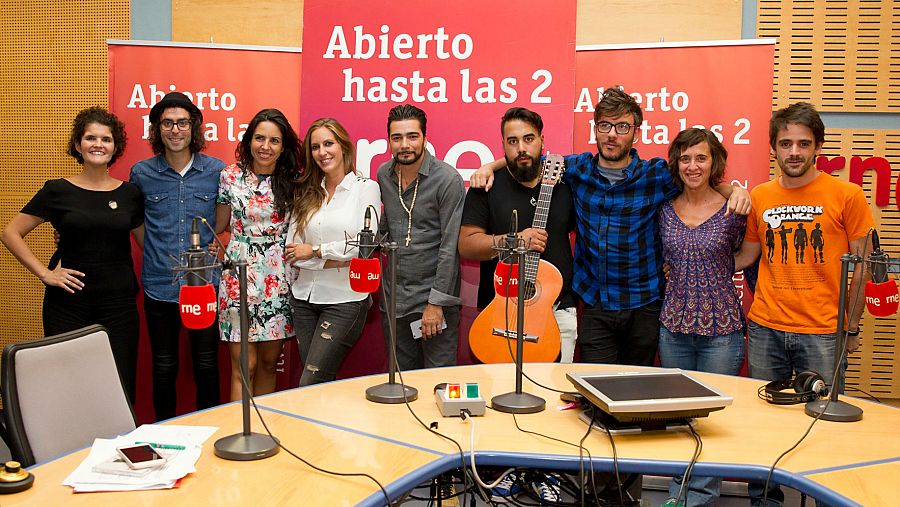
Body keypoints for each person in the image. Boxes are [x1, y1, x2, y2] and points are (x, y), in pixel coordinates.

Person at [471, 87, 750, 367]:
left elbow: (697, 179)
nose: (612, 134)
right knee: (596, 392)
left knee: (636, 394)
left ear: (635, 132)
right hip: (595, 304)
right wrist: (489, 166)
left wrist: (732, 190)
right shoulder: (576, 168)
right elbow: (527, 157)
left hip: (644, 304)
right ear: (595, 130)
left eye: (622, 126)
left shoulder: (656, 174)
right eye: (605, 125)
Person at [734, 102, 874, 507]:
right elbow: (746, 256)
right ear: (773, 148)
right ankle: (766, 501)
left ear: (818, 147)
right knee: (763, 425)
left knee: (826, 427)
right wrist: (691, 262)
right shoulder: (761, 195)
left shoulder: (845, 194)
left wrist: (850, 325)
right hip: (765, 327)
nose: (794, 152)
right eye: (785, 143)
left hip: (823, 332)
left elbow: (863, 264)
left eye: (803, 144)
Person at [2, 107, 143, 403]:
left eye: (106, 139)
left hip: (119, 305)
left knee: (118, 385)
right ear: (78, 145)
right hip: (68, 304)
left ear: (115, 146)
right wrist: (45, 273)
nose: (98, 144)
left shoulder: (129, 193)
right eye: (90, 137)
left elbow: (146, 243)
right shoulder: (57, 190)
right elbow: (10, 233)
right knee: (67, 385)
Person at [657, 129, 746, 506]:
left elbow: (749, 255)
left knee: (711, 422)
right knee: (678, 419)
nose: (693, 166)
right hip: (674, 327)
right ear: (676, 163)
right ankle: (678, 496)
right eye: (685, 158)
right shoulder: (663, 208)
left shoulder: (735, 209)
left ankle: (702, 499)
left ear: (715, 163)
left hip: (721, 331)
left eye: (701, 158)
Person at [129, 92, 225, 421]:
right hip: (160, 284)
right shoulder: (142, 173)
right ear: (157, 129)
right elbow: (137, 225)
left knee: (207, 364)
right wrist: (158, 252)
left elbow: (222, 220)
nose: (175, 130)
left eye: (182, 123)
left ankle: (208, 428)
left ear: (194, 128)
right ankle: (164, 433)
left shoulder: (216, 170)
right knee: (164, 366)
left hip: (204, 284)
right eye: (167, 123)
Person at [458, 107, 578, 363]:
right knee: (497, 392)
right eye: (513, 141)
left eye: (529, 139)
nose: (521, 148)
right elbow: (466, 246)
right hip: (500, 309)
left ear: (542, 140)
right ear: (503, 144)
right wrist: (514, 241)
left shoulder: (567, 182)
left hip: (558, 310)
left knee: (555, 393)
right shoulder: (487, 185)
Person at [285, 118, 381, 386]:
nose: (322, 152)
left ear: (343, 147)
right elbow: (293, 251)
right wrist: (333, 260)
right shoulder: (306, 192)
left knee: (309, 381)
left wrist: (315, 252)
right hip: (303, 298)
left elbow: (365, 244)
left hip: (345, 299)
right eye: (315, 147)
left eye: (329, 143)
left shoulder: (366, 188)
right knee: (320, 382)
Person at [215, 108, 300, 400]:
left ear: (283, 146)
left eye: (274, 141)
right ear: (249, 140)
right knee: (243, 365)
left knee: (267, 363)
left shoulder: (294, 180)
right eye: (259, 138)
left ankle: (264, 431)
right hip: (238, 273)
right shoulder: (230, 176)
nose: (265, 146)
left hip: (278, 275)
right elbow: (220, 225)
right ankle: (240, 434)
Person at [377, 104, 465, 370]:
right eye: (397, 137)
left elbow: (450, 248)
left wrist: (435, 305)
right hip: (394, 302)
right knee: (401, 384)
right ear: (389, 140)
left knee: (437, 385)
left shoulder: (447, 179)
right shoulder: (384, 175)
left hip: (433, 303)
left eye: (412, 136)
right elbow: (385, 230)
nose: (405, 144)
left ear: (425, 138)